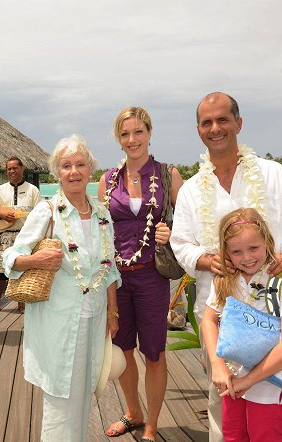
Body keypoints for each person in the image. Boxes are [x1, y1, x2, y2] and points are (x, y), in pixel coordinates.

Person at [170, 92, 282, 441]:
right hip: (218, 315)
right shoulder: (191, 190)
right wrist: (205, 259)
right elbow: (180, 245)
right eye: (207, 122)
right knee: (224, 398)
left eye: (222, 119)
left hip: (277, 311)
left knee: (280, 399)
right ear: (198, 129)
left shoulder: (274, 174)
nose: (215, 128)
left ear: (239, 122)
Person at [3, 134, 121, 441]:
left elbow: (108, 270)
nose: (74, 171)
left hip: (93, 321)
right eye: (66, 165)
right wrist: (37, 260)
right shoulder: (48, 211)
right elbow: (10, 257)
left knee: (82, 395)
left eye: (80, 164)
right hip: (58, 321)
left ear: (90, 170)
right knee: (59, 399)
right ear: (58, 173)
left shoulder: (102, 215)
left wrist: (113, 313)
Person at [97, 106, 183, 442]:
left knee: (154, 352)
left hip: (152, 277)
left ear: (149, 133)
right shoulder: (108, 180)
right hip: (117, 280)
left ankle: (152, 425)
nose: (132, 139)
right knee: (122, 349)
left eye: (138, 132)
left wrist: (171, 231)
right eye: (125, 134)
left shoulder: (167, 175)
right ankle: (133, 411)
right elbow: (98, 227)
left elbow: (193, 221)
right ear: (118, 139)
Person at [200, 207, 282, 441]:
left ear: (267, 241)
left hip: (271, 386)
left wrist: (248, 381)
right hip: (232, 380)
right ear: (225, 251)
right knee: (232, 436)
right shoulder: (225, 280)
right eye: (236, 252)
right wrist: (217, 365)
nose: (247, 258)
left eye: (254, 248)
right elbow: (208, 319)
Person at [0, 156, 41, 316]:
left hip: (26, 236)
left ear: (22, 168)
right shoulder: (0, 190)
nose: (12, 171)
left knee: (23, 270)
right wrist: (2, 215)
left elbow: (40, 213)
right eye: (9, 168)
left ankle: (21, 303)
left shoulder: (32, 190)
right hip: (5, 236)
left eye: (15, 168)